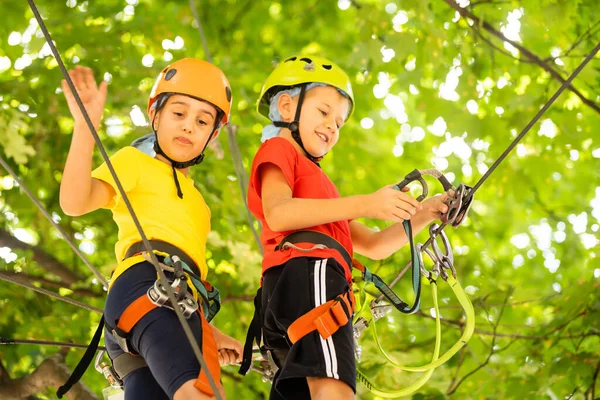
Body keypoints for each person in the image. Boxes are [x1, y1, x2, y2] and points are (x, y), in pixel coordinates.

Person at [240, 55, 450, 400]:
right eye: (324, 112)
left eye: (338, 123)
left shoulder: (321, 187)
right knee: (334, 389)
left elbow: (374, 246)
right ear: (287, 106)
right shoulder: (279, 148)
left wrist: (427, 212)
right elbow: (278, 214)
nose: (331, 127)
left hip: (296, 288)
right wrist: (369, 203)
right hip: (310, 273)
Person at [59, 59, 242, 400]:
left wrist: (208, 331)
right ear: (155, 117)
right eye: (178, 114)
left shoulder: (199, 205)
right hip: (147, 283)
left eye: (202, 121)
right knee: (202, 393)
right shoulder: (135, 162)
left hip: (161, 302)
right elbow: (74, 202)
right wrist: (86, 127)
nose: (189, 126)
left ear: (212, 135)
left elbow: (186, 282)